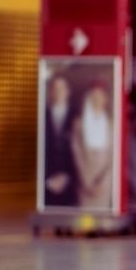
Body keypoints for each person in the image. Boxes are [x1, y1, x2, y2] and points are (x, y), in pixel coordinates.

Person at [71, 81, 115, 210]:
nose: (97, 100)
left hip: (104, 184)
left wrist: (103, 182)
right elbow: (76, 153)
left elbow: (114, 155)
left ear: (105, 99)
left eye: (100, 96)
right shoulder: (78, 124)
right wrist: (87, 182)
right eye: (94, 96)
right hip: (85, 182)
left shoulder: (111, 124)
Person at [43, 74, 77, 207]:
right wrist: (48, 178)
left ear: (68, 91)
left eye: (62, 88)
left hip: (70, 182)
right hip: (47, 183)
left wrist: (67, 176)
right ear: (51, 91)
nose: (59, 92)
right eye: (55, 88)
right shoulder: (43, 116)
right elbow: (40, 149)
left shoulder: (77, 116)